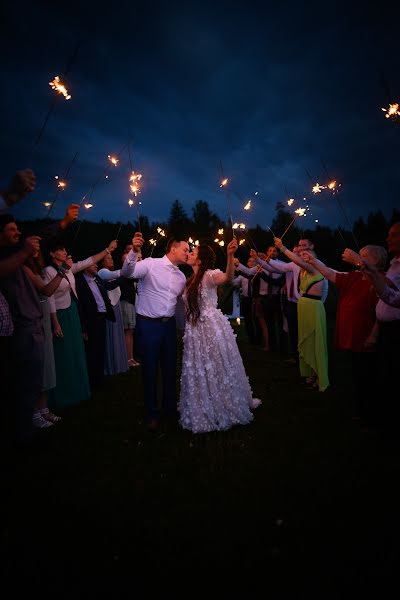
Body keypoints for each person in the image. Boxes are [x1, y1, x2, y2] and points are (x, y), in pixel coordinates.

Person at [179, 239, 261, 433]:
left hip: (210, 327)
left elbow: (228, 278)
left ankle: (223, 403)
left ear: (201, 259)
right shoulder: (190, 279)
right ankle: (203, 402)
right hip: (195, 329)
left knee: (216, 364)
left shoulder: (210, 275)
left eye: (193, 251)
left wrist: (230, 256)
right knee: (200, 367)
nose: (190, 253)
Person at [303, 245, 387, 422]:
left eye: (363, 256)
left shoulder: (381, 280)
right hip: (353, 337)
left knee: (370, 376)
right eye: (359, 256)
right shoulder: (355, 276)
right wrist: (314, 261)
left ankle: (372, 415)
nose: (359, 258)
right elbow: (330, 274)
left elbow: (383, 310)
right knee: (357, 374)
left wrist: (373, 335)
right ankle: (361, 409)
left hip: (367, 337)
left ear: (376, 261)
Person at [121, 233, 189, 430]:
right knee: (150, 369)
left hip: (168, 327)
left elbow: (180, 305)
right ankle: (151, 412)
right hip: (148, 325)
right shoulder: (150, 264)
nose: (188, 253)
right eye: (185, 249)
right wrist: (134, 252)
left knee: (170, 369)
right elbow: (127, 273)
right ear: (173, 248)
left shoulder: (181, 276)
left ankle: (169, 409)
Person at [43, 239, 117, 408]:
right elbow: (50, 297)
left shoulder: (70, 269)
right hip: (59, 315)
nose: (64, 251)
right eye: (60, 249)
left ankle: (78, 390)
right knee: (63, 352)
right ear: (52, 254)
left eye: (64, 248)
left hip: (72, 312)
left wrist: (107, 249)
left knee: (75, 351)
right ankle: (63, 393)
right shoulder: (48, 270)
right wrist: (55, 323)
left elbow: (89, 261)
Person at [274, 236, 329, 392]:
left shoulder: (315, 268)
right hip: (304, 308)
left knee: (315, 341)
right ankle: (311, 374)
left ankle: (319, 377)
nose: (303, 258)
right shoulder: (305, 272)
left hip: (313, 308)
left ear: (313, 258)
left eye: (307, 256)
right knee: (307, 342)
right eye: (302, 256)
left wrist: (282, 248)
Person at [75, 262, 117, 388]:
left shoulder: (97, 279)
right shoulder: (79, 282)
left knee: (100, 349)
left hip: (101, 319)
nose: (96, 266)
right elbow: (80, 306)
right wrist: (83, 327)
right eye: (93, 264)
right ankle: (91, 381)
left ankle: (99, 379)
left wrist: (124, 277)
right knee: (91, 351)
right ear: (85, 265)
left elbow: (109, 286)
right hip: (90, 320)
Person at [97, 253, 129, 375]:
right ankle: (112, 364)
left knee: (118, 333)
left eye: (111, 257)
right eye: (108, 258)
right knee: (112, 334)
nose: (111, 260)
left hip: (116, 306)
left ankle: (119, 364)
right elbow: (112, 283)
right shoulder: (102, 272)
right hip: (110, 307)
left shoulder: (111, 272)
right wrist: (127, 271)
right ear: (102, 262)